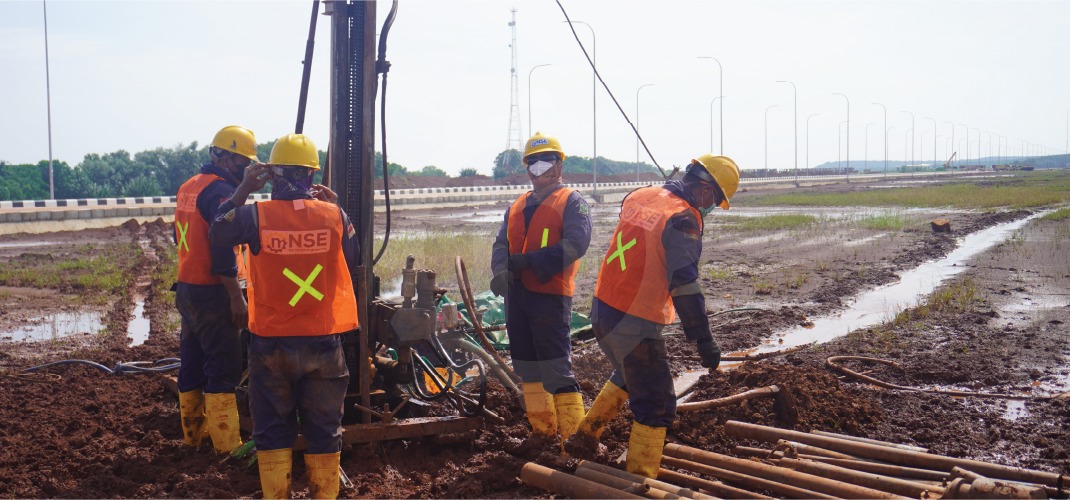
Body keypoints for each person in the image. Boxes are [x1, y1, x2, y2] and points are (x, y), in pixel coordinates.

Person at [568, 154, 741, 478]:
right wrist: (703, 338)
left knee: (628, 374)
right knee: (658, 404)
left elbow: (641, 227)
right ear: (705, 191)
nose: (712, 208)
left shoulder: (641, 195)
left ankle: (583, 439)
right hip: (634, 321)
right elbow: (685, 285)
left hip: (603, 311)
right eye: (715, 201)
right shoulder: (684, 219)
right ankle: (640, 480)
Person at [209, 133, 355, 500]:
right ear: (312, 177)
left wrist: (242, 188)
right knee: (325, 430)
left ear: (272, 175)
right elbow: (351, 258)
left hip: (272, 344)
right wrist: (334, 208)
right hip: (323, 342)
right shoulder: (334, 215)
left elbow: (218, 229)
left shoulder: (255, 216)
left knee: (273, 430)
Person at [490, 132, 592, 450]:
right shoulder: (517, 206)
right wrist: (501, 270)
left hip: (550, 295)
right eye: (533, 162)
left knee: (555, 366)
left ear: (559, 166)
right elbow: (500, 243)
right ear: (526, 168)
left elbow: (575, 245)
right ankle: (543, 433)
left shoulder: (572, 202)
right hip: (518, 297)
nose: (539, 167)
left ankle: (573, 439)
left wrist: (527, 262)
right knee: (527, 366)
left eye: (546, 160)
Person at [174, 125, 258, 454]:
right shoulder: (220, 192)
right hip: (214, 293)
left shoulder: (189, 187)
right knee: (223, 368)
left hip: (188, 289)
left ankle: (193, 438)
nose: (245, 170)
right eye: (243, 163)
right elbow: (222, 247)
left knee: (192, 364)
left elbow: (181, 236)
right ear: (227, 160)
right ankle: (227, 449)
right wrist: (236, 297)